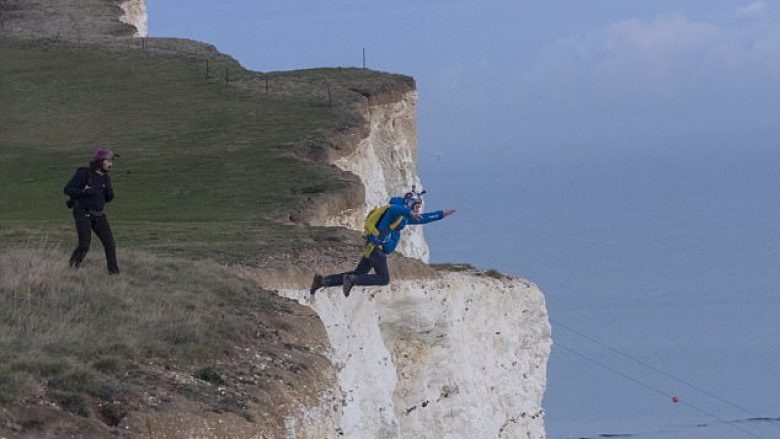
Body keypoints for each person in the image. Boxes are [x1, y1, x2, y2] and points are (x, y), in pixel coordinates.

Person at [310, 188, 455, 297]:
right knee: (384, 279)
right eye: (416, 206)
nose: (417, 209)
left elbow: (424, 218)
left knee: (359, 272)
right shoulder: (394, 211)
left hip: (372, 248)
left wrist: (441, 214)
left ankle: (323, 281)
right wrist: (407, 211)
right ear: (409, 203)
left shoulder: (404, 216)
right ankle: (351, 279)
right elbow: (394, 209)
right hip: (376, 249)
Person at [64, 147, 119, 274]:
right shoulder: (84, 173)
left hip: (99, 214)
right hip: (82, 212)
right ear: (99, 161)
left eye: (111, 161)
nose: (110, 164)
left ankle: (114, 273)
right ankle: (71, 269)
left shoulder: (105, 177)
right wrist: (86, 192)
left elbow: (105, 198)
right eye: (108, 161)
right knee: (84, 244)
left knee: (110, 243)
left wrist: (109, 195)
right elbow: (67, 189)